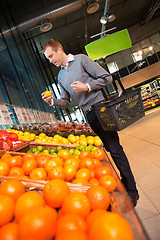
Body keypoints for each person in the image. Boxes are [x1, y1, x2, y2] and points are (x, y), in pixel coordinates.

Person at [42, 39, 139, 207]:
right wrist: (52, 101)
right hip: (88, 115)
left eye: (51, 56)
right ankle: (124, 182)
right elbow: (66, 101)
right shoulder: (61, 76)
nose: (51, 61)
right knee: (110, 148)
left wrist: (87, 86)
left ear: (59, 49)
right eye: (48, 58)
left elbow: (107, 78)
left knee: (115, 148)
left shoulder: (81, 60)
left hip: (101, 109)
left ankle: (132, 191)